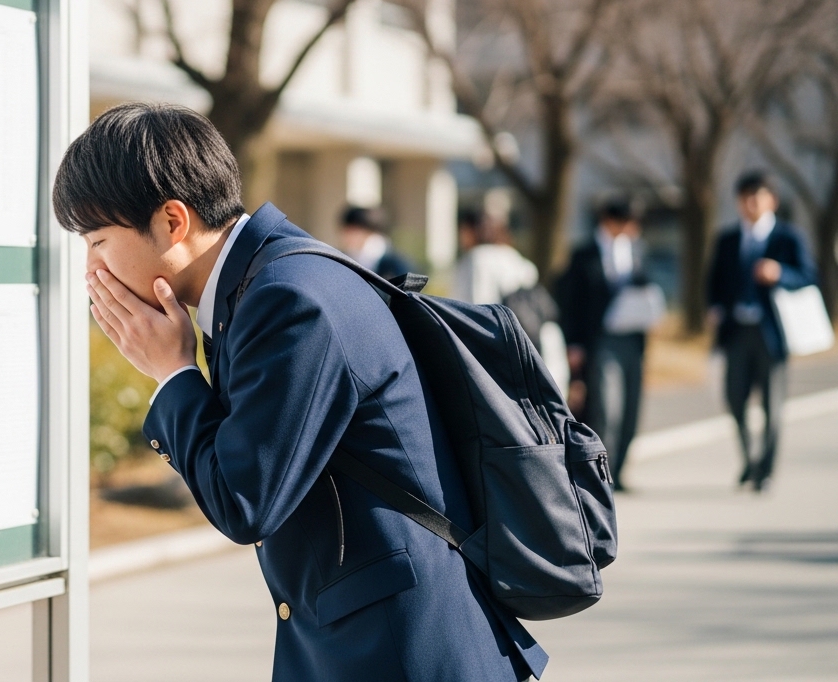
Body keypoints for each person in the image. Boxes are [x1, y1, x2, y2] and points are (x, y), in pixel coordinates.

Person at [55, 103, 546, 681]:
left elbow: (245, 502)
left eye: (97, 241)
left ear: (172, 221)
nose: (90, 268)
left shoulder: (285, 300)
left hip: (402, 655)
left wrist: (173, 373)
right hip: (385, 643)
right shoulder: (271, 279)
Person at [706, 171, 817, 492]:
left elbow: (810, 276)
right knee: (735, 399)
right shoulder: (728, 239)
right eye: (745, 197)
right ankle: (750, 459)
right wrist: (715, 310)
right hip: (736, 330)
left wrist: (780, 273)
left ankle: (765, 470)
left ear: (772, 200)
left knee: (772, 404)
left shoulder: (788, 237)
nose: (751, 203)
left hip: (773, 333)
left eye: (757, 196)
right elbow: (713, 283)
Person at [555, 197, 657, 491]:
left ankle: (620, 471)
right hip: (600, 341)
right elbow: (570, 302)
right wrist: (573, 343)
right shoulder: (584, 254)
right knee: (607, 408)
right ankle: (601, 473)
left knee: (631, 408)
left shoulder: (637, 250)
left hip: (633, 340)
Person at [453, 208, 571, 393]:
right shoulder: (514, 257)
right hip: (540, 347)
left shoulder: (477, 259)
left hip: (505, 354)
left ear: (470, 231)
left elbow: (476, 313)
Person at [339, 205, 415, 279]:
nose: (348, 237)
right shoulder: (347, 256)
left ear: (367, 231)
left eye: (353, 231)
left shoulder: (394, 262)